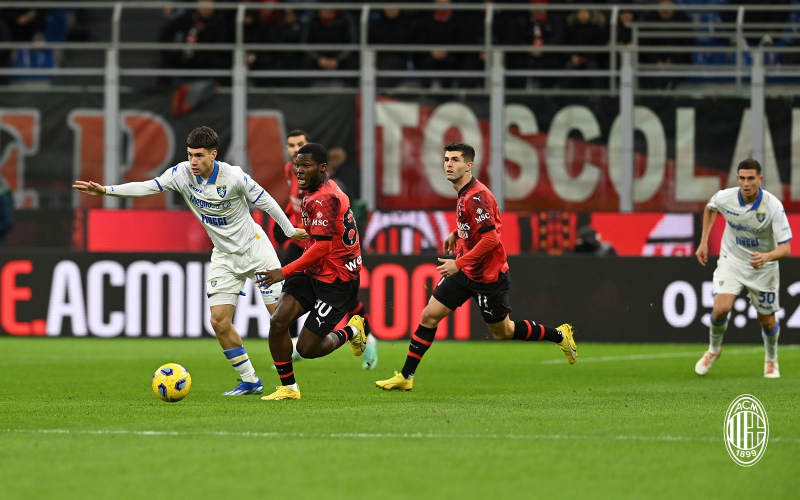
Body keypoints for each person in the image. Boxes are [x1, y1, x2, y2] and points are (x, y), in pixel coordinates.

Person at [73, 126, 307, 395]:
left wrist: (290, 230)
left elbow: (266, 201)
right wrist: (106, 191)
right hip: (224, 256)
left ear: (213, 155)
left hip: (256, 252)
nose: (193, 161)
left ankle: (301, 367)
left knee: (279, 320)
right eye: (189, 155)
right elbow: (147, 187)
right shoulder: (181, 174)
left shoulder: (233, 177)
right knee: (219, 321)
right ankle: (251, 381)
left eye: (199, 155)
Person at [375, 143, 577, 392]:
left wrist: (458, 263)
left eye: (455, 160)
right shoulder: (465, 192)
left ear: (469, 166)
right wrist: (456, 233)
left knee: (503, 332)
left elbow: (491, 239)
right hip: (466, 270)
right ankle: (406, 377)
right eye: (446, 159)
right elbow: (479, 224)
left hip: (487, 276)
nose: (449, 164)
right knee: (429, 316)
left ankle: (560, 335)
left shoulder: (475, 197)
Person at [255, 143, 367, 400]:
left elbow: (322, 247)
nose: (300, 171)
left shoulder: (324, 197)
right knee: (278, 321)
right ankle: (289, 388)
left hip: (337, 279)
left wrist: (284, 271)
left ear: (323, 167)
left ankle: (352, 330)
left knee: (306, 349)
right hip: (314, 271)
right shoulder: (318, 191)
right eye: (298, 165)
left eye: (306, 166)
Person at [279, 132, 378, 370]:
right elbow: (293, 202)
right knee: (284, 307)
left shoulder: (325, 193)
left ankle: (362, 333)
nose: (295, 150)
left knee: (346, 302)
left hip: (330, 259)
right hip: (307, 246)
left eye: (300, 145)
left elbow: (325, 240)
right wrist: (284, 221)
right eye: (291, 146)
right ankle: (289, 355)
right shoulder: (293, 172)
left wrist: (285, 268)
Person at [694, 159, 792, 379]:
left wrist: (766, 256)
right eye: (742, 178)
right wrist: (703, 242)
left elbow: (786, 248)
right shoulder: (725, 197)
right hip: (732, 260)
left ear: (760, 179)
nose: (746, 183)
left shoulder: (773, 206)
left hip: (763, 267)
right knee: (721, 308)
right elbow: (710, 208)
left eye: (751, 178)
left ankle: (771, 359)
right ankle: (713, 350)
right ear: (737, 179)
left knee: (767, 321)